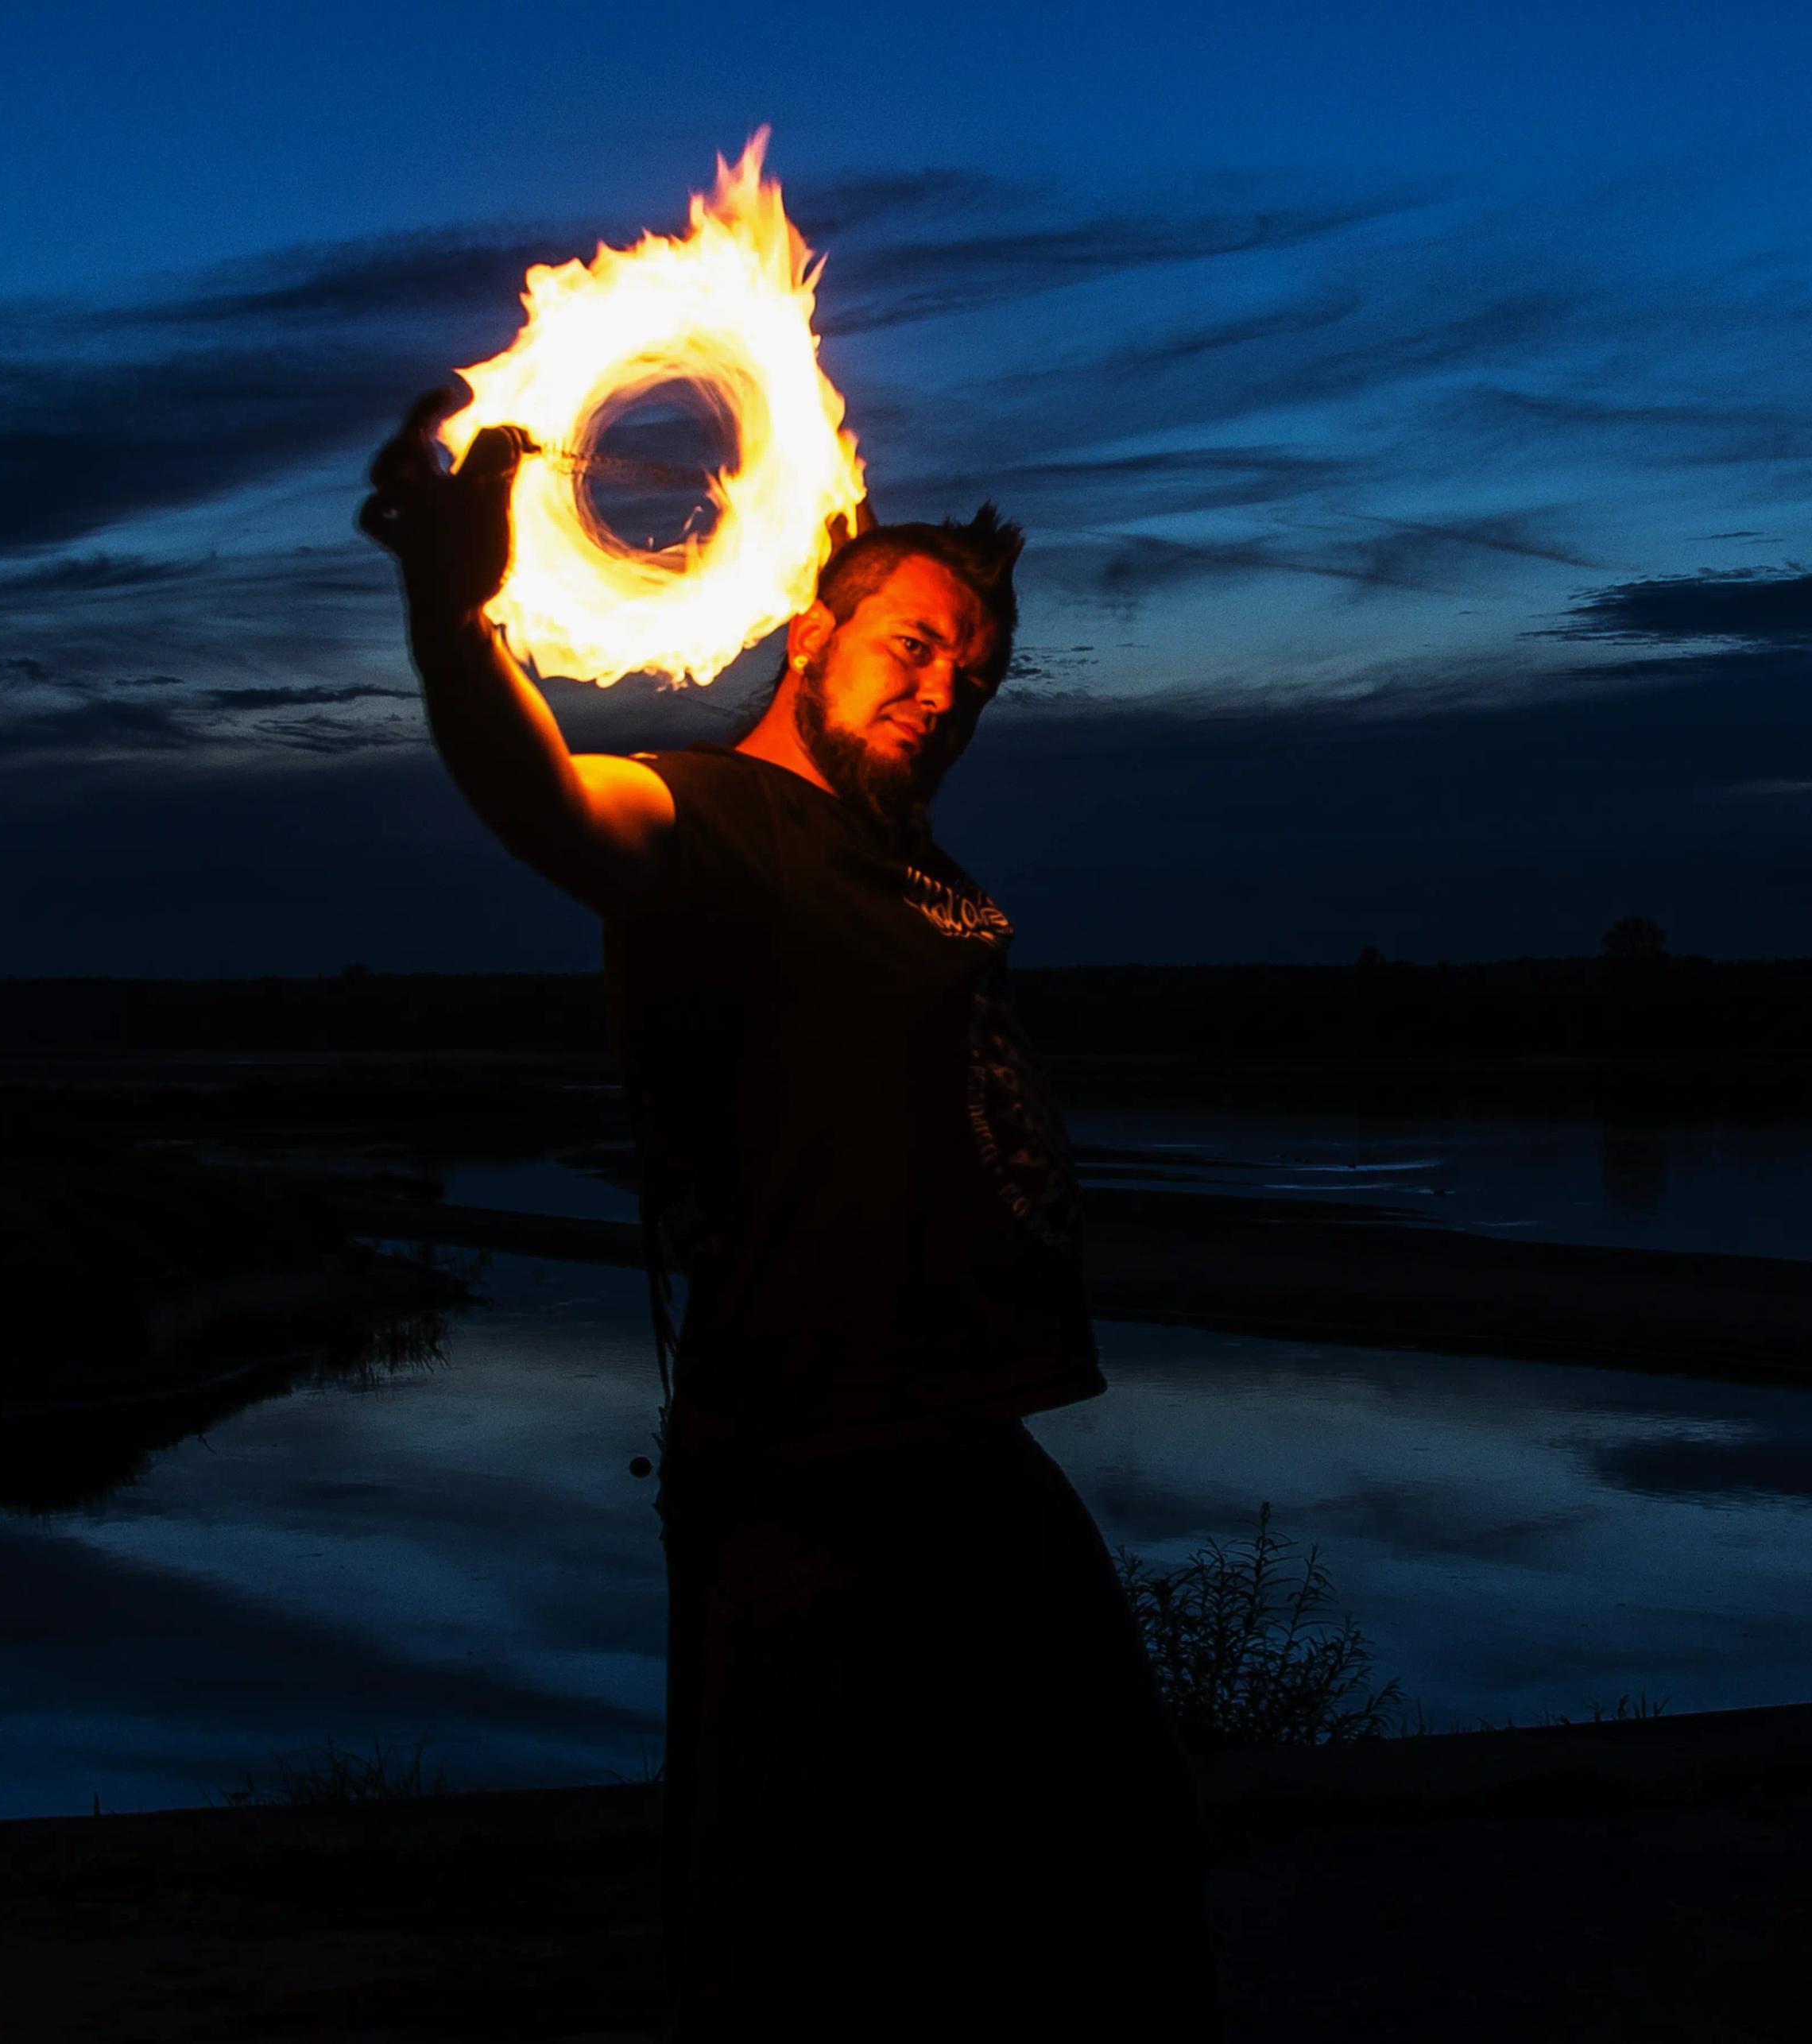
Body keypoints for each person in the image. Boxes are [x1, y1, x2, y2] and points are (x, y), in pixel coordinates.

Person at [359, 389, 1221, 2038]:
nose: (945, 688)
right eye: (910, 644)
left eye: (975, 670)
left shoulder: (895, 853)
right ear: (806, 630)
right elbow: (553, 805)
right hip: (813, 1475)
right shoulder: (719, 821)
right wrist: (451, 614)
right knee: (803, 1952)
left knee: (1119, 1877)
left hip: (975, 1447)